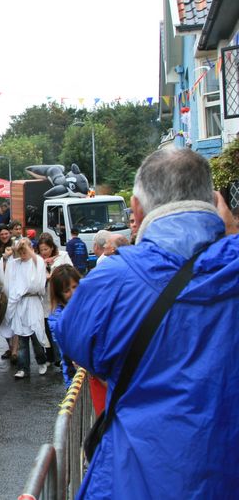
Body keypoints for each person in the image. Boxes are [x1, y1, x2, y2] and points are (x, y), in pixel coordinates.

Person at [55, 148, 239, 499]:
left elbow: (75, 342)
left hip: (139, 478)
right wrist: (229, 233)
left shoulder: (113, 281)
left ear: (136, 210)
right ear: (215, 200)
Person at [0, 238, 49, 379]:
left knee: (36, 336)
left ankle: (42, 360)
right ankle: (23, 368)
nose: (23, 253)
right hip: (20, 304)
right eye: (20, 251)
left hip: (32, 303)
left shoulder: (36, 261)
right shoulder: (15, 264)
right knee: (21, 338)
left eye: (25, 250)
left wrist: (27, 247)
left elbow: (39, 269)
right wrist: (7, 256)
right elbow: (3, 274)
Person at [37, 233, 72, 366]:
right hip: (45, 297)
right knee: (46, 327)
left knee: (59, 326)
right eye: (41, 250)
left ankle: (61, 357)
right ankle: (51, 356)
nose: (44, 252)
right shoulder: (38, 260)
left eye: (46, 249)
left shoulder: (63, 256)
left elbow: (69, 270)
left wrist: (54, 274)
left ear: (52, 247)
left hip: (60, 297)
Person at [46, 264, 81, 387]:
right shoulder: (56, 317)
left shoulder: (88, 303)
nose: (73, 293)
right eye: (67, 291)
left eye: (75, 287)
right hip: (74, 377)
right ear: (59, 294)